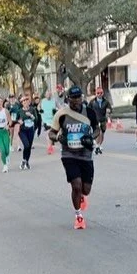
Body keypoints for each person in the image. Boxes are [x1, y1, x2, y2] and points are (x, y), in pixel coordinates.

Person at [48, 85, 100, 229]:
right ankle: (78, 215)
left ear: (82, 97)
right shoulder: (62, 114)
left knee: (86, 189)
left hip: (86, 154)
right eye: (73, 98)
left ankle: (82, 196)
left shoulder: (89, 112)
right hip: (69, 154)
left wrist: (91, 137)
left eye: (79, 97)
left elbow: (97, 129)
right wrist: (58, 137)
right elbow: (51, 133)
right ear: (68, 99)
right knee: (76, 185)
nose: (76, 101)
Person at [18, 94, 42, 170]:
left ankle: (26, 161)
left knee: (29, 147)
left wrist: (31, 116)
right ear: (21, 103)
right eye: (23, 101)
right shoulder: (20, 111)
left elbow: (36, 119)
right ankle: (24, 160)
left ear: (28, 101)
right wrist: (19, 121)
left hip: (30, 130)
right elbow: (14, 119)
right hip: (22, 131)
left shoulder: (32, 109)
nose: (25, 102)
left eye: (26, 100)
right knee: (26, 145)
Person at [88, 86, 112, 154]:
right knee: (99, 132)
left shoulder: (106, 102)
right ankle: (96, 146)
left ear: (103, 93)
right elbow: (88, 109)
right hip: (95, 120)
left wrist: (108, 111)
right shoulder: (92, 102)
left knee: (102, 133)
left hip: (103, 119)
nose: (99, 94)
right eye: (98, 93)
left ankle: (99, 145)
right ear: (96, 93)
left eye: (101, 93)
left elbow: (110, 109)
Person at [40, 87, 58, 153]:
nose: (48, 95)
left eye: (49, 94)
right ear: (45, 95)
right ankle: (49, 147)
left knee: (51, 133)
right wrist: (40, 110)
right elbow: (38, 107)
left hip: (53, 119)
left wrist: (56, 110)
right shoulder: (42, 101)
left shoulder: (54, 100)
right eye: (47, 94)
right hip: (45, 120)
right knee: (48, 133)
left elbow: (59, 107)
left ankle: (51, 144)